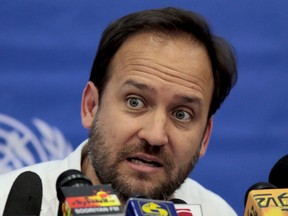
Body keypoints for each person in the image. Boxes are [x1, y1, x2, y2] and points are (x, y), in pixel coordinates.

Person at [0, 7, 238, 215]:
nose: (155, 136)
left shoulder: (217, 212)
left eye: (181, 114)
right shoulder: (7, 203)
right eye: (135, 102)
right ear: (91, 106)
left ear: (205, 136)